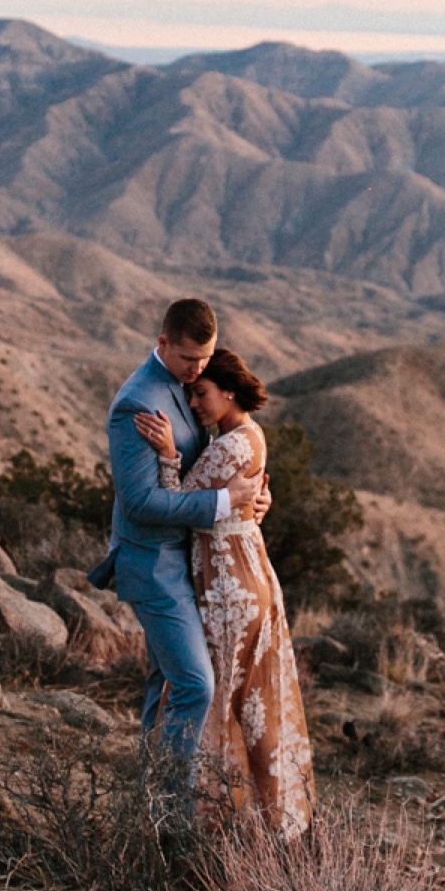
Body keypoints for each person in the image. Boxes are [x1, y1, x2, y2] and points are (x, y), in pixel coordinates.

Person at [135, 348, 315, 838]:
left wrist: (170, 455)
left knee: (226, 700)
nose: (194, 404)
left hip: (231, 586)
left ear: (229, 391)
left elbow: (180, 502)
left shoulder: (234, 445)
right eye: (192, 393)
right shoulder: (239, 437)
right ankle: (247, 818)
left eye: (202, 393)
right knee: (238, 700)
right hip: (233, 576)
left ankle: (230, 821)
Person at [91, 298, 264, 761]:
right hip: (154, 564)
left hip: (190, 560)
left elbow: (211, 460)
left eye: (205, 358)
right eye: (189, 358)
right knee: (195, 684)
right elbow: (141, 502)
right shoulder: (138, 403)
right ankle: (173, 813)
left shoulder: (191, 386)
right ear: (163, 343)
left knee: (164, 684)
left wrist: (250, 501)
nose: (198, 369)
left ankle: (150, 803)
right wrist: (226, 502)